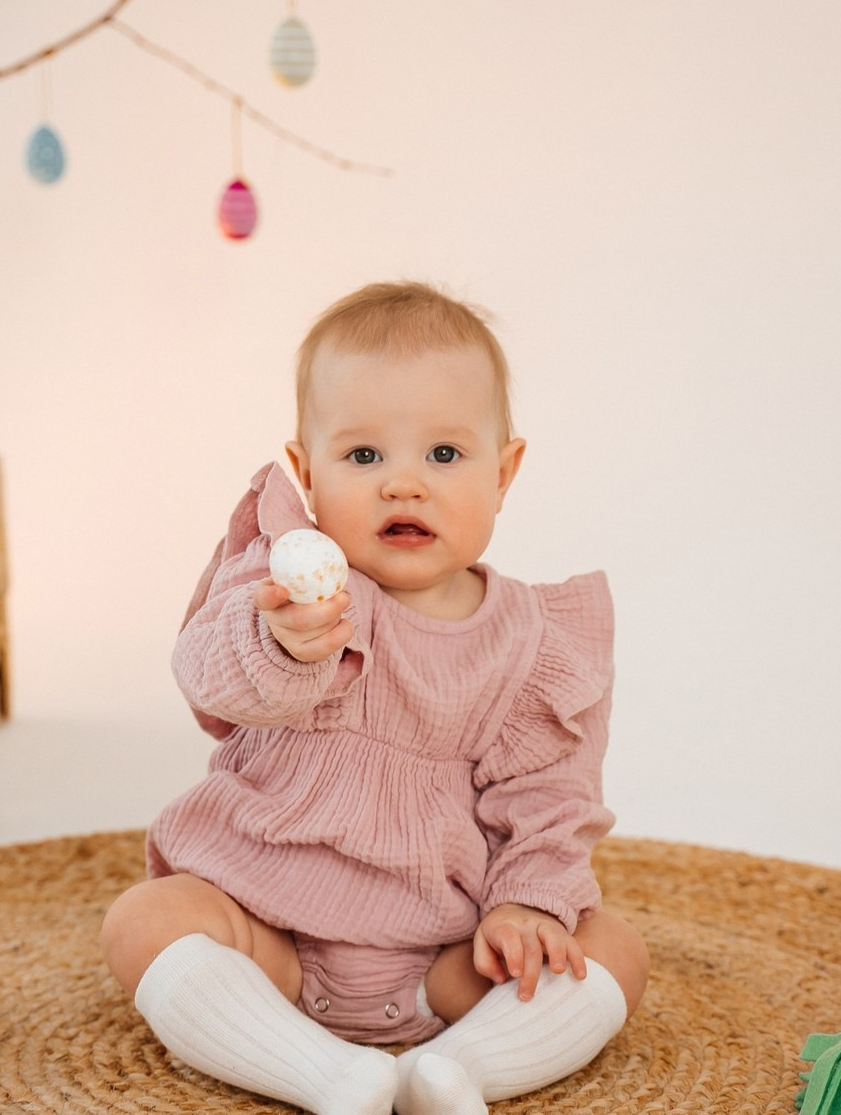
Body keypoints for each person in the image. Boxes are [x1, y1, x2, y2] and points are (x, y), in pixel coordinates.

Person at [101, 280, 648, 1115]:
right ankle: (325, 1077)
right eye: (363, 458)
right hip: (267, 936)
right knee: (143, 920)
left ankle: (459, 1071)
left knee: (610, 947)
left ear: (504, 472)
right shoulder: (288, 582)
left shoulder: (537, 643)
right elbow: (205, 679)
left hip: (444, 956)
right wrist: (284, 646)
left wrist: (526, 905)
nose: (403, 485)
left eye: (443, 455)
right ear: (306, 472)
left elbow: (552, 797)